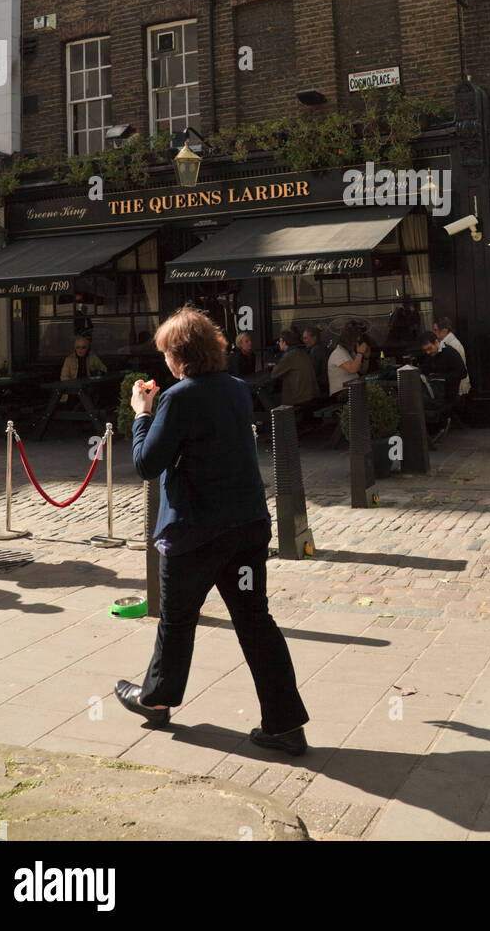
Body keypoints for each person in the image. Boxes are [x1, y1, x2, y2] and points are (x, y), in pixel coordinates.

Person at [115, 306, 309, 755]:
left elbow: (147, 464)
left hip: (196, 532)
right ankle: (285, 726)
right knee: (255, 622)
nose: (163, 360)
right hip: (246, 525)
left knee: (178, 620)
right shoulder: (238, 389)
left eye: (166, 352)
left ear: (180, 356)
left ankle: (157, 699)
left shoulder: (179, 398)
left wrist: (141, 413)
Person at [418, 329, 466, 441]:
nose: (428, 353)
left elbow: (462, 372)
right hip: (435, 392)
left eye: (429, 349)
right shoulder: (429, 355)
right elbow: (425, 369)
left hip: (448, 393)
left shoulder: (450, 353)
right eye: (425, 350)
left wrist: (443, 377)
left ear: (436, 342)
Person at [262, 329, 319, 419]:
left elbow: (274, 374)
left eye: (279, 341)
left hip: (298, 398)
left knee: (268, 399)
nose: (279, 344)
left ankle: (278, 427)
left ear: (284, 342)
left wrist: (275, 365)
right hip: (309, 394)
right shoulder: (301, 352)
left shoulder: (290, 355)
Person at [327, 323, 371, 398]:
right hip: (340, 393)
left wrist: (366, 358)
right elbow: (352, 369)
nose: (356, 344)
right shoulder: (338, 353)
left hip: (352, 389)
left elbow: (362, 370)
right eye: (354, 342)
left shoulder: (350, 352)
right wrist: (360, 353)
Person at [433, 315, 470, 397]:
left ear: (444, 330)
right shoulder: (446, 343)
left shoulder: (453, 345)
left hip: (457, 387)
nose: (434, 333)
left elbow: (458, 371)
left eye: (435, 330)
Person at [301, 324, 329, 398]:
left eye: (306, 338)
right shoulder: (322, 347)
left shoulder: (316, 350)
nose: (304, 341)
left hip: (321, 388)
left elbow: (313, 372)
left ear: (314, 338)